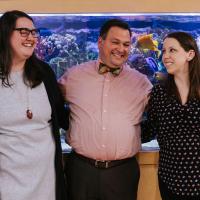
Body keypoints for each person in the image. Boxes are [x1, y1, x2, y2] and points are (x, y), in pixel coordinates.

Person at [59, 19, 152, 200]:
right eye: (115, 42)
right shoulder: (74, 76)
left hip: (122, 172)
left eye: (126, 44)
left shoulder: (141, 83)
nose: (121, 48)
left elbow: (162, 115)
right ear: (100, 42)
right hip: (81, 170)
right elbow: (50, 105)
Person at [0, 10, 69, 200]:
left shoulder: (44, 72)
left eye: (34, 32)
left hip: (47, 184)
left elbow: (62, 118)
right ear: (5, 34)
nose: (31, 37)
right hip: (8, 187)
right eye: (23, 31)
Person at [142, 32, 200, 200]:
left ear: (190, 54)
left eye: (172, 50)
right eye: (164, 50)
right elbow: (150, 129)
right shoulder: (159, 92)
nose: (165, 56)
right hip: (171, 180)